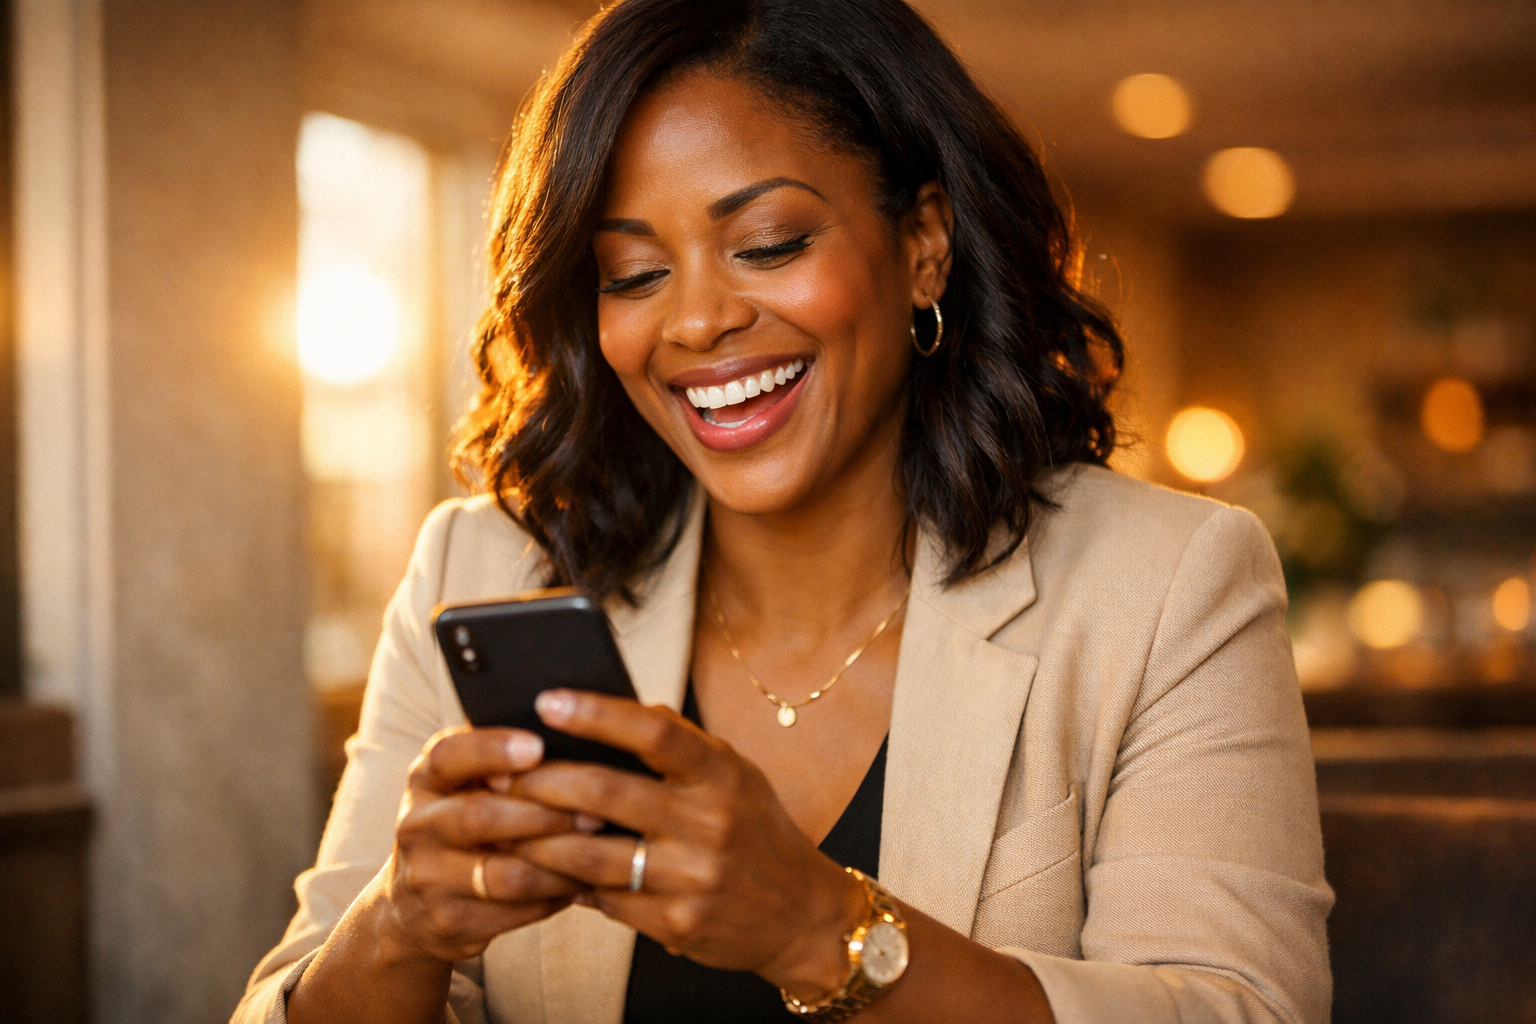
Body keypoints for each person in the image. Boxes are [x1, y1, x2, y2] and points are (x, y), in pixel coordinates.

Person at [235, 0, 1332, 1021]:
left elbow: (1241, 1009)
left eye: (768, 245)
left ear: (923, 247)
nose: (701, 320)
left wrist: (821, 927)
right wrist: (401, 926)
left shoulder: (1168, 583)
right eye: (631, 273)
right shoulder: (480, 571)